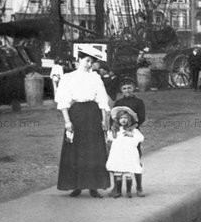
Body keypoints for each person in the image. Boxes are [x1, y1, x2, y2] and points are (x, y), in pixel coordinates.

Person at [56, 46, 110, 198]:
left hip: (93, 114)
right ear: (79, 60)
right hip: (76, 114)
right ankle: (76, 185)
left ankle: (94, 186)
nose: (89, 64)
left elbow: (102, 100)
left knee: (94, 150)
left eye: (91, 62)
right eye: (87, 61)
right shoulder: (68, 78)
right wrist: (67, 122)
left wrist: (104, 120)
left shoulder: (95, 78)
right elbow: (63, 102)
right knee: (75, 150)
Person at [113, 78, 146, 196]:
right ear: (121, 90)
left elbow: (141, 118)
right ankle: (116, 188)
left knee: (135, 159)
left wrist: (132, 128)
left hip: (132, 132)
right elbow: (115, 117)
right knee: (118, 159)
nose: (127, 90)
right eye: (124, 88)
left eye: (129, 88)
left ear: (133, 88)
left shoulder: (139, 102)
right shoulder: (118, 103)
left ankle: (139, 187)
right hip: (120, 133)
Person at [106, 107, 144, 198]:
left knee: (128, 170)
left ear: (129, 119)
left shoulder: (133, 130)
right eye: (121, 118)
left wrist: (132, 136)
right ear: (117, 119)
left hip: (128, 153)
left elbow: (141, 138)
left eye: (126, 118)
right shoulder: (115, 130)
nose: (123, 120)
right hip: (118, 154)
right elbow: (109, 139)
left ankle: (128, 191)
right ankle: (118, 191)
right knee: (118, 171)